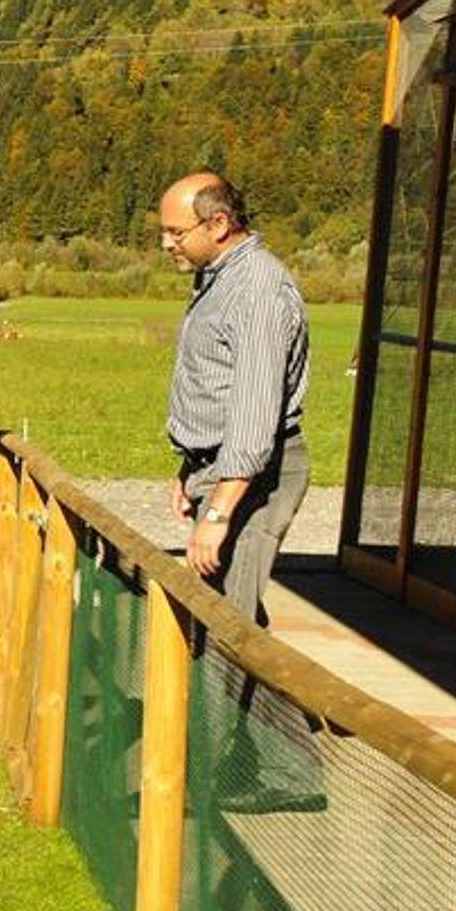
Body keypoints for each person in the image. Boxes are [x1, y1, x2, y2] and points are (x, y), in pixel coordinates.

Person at [160, 172, 311, 625]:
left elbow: (253, 412)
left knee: (228, 624)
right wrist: (191, 469)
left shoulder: (257, 292)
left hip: (253, 478)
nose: (167, 244)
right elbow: (216, 387)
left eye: (176, 233)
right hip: (221, 470)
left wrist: (219, 513)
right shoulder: (220, 278)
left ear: (219, 224)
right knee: (215, 611)